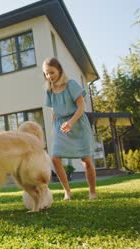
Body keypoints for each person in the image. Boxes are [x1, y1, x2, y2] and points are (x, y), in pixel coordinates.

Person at [43, 57, 97, 200]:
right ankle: (67, 191)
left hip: (78, 123)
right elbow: (54, 111)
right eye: (46, 74)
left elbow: (81, 107)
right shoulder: (49, 90)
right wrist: (53, 130)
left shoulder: (71, 84)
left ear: (59, 70)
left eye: (52, 72)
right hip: (60, 125)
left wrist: (71, 123)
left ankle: (92, 191)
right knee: (55, 158)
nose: (49, 76)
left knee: (86, 160)